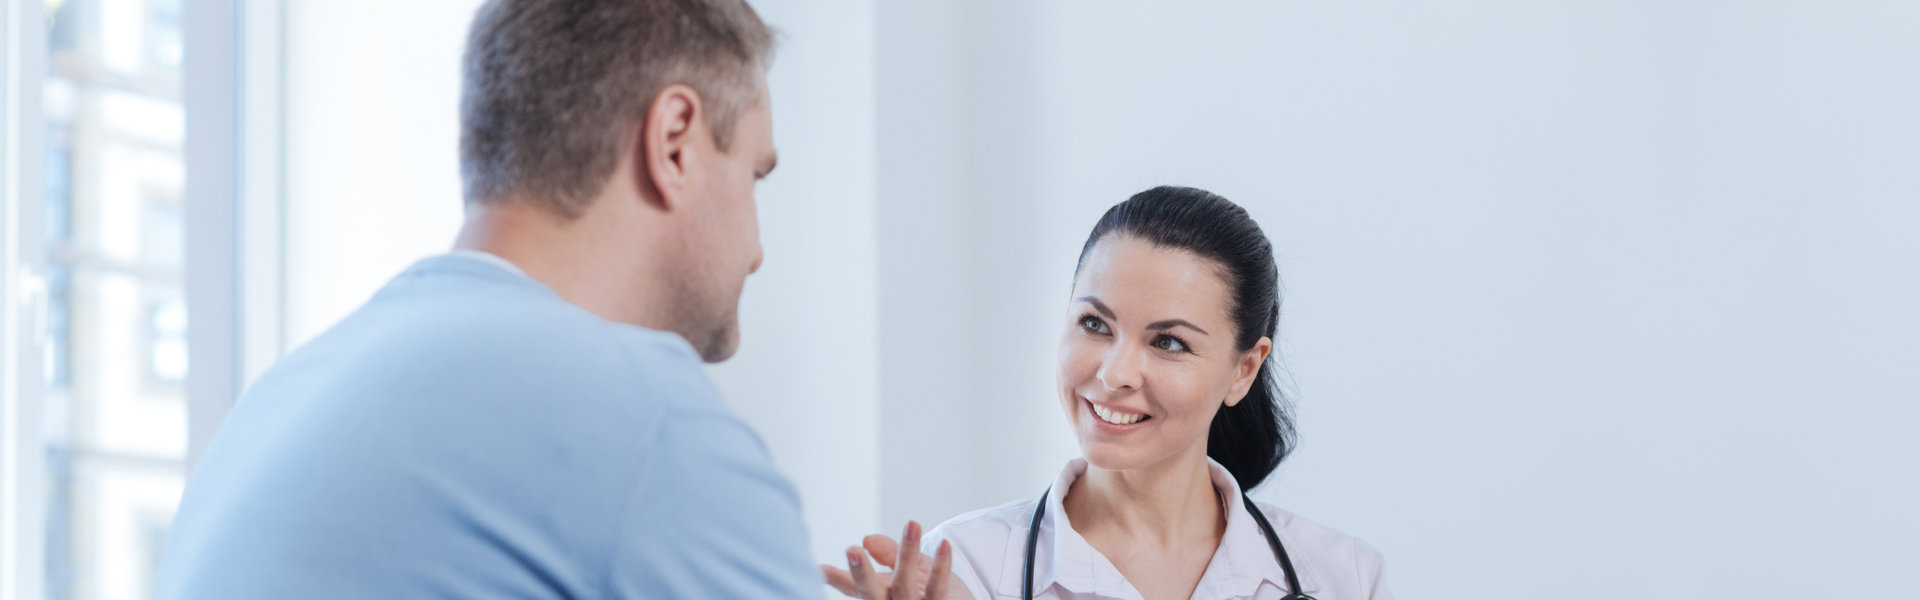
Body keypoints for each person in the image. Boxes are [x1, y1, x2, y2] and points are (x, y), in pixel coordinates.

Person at [155, 1, 949, 598]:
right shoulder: (643, 420)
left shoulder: (280, 403)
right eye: (754, 176)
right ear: (674, 140)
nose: (758, 249)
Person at [826, 187, 1393, 600]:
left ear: (1243, 370)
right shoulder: (963, 569)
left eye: (1168, 342)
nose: (1116, 372)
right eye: (1095, 325)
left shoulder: (1341, 575)